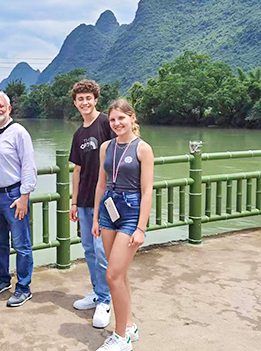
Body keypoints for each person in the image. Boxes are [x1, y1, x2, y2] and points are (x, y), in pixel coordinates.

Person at [92, 98, 154, 351]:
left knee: (112, 275)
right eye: (113, 119)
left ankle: (121, 339)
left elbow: (147, 191)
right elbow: (100, 183)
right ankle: (128, 325)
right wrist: (96, 217)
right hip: (109, 210)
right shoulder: (106, 147)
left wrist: (140, 228)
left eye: (121, 118)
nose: (117, 123)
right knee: (119, 274)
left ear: (132, 118)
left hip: (130, 213)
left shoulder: (143, 149)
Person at [0, 91, 37, 307]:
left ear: (9, 109)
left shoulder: (19, 133)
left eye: (1, 106)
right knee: (0, 242)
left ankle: (23, 287)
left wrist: (25, 196)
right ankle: (3, 278)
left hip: (14, 195)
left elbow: (29, 166)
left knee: (22, 244)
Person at [68, 79, 115, 328]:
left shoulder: (106, 123)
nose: (85, 103)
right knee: (88, 249)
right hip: (84, 200)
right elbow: (77, 170)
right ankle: (97, 292)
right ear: (75, 104)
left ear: (96, 99)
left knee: (101, 250)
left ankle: (106, 301)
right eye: (80, 99)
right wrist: (74, 202)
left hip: (105, 201)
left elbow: (120, 152)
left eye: (89, 98)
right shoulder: (79, 134)